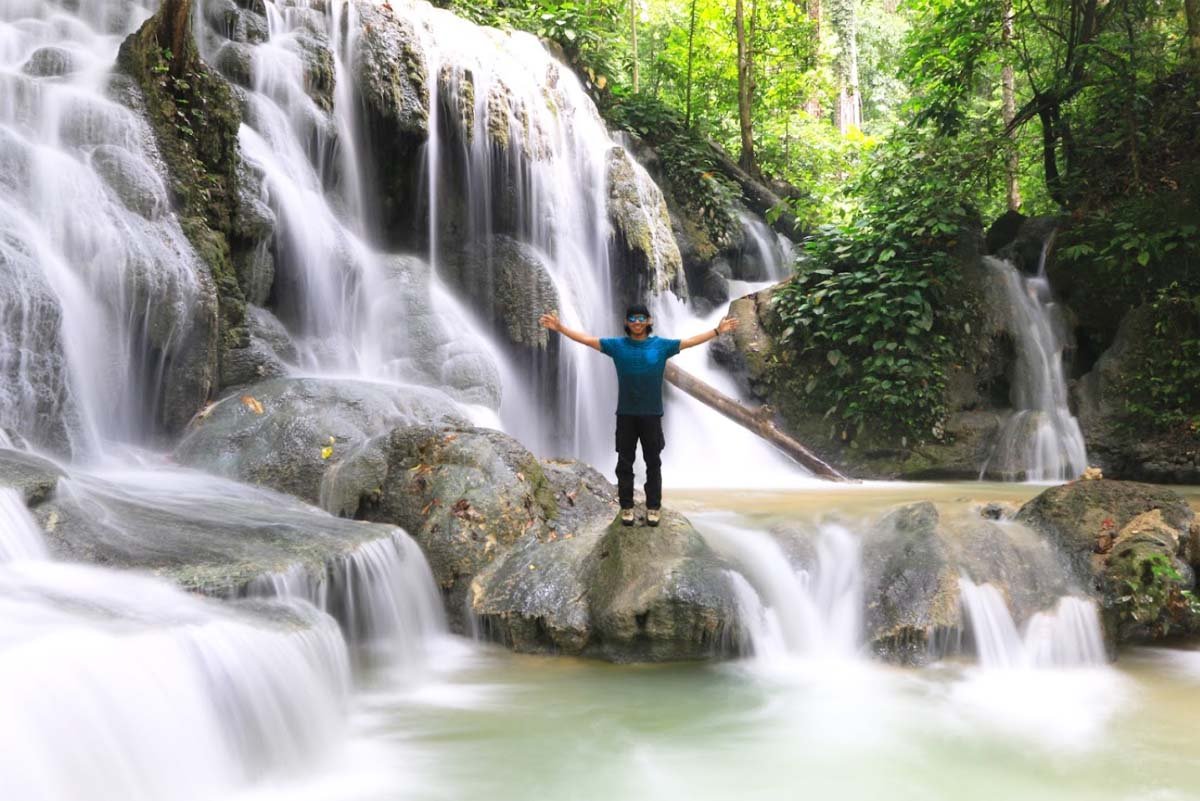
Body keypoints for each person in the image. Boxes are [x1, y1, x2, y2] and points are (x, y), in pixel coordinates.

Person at [538, 303, 738, 527]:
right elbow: (586, 340)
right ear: (626, 323)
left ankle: (654, 507)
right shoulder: (617, 346)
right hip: (626, 415)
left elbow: (689, 342)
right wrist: (560, 328)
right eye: (632, 319)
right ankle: (627, 507)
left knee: (653, 462)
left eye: (641, 318)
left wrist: (718, 331)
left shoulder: (661, 346)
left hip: (652, 415)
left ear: (649, 321)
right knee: (625, 463)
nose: (637, 322)